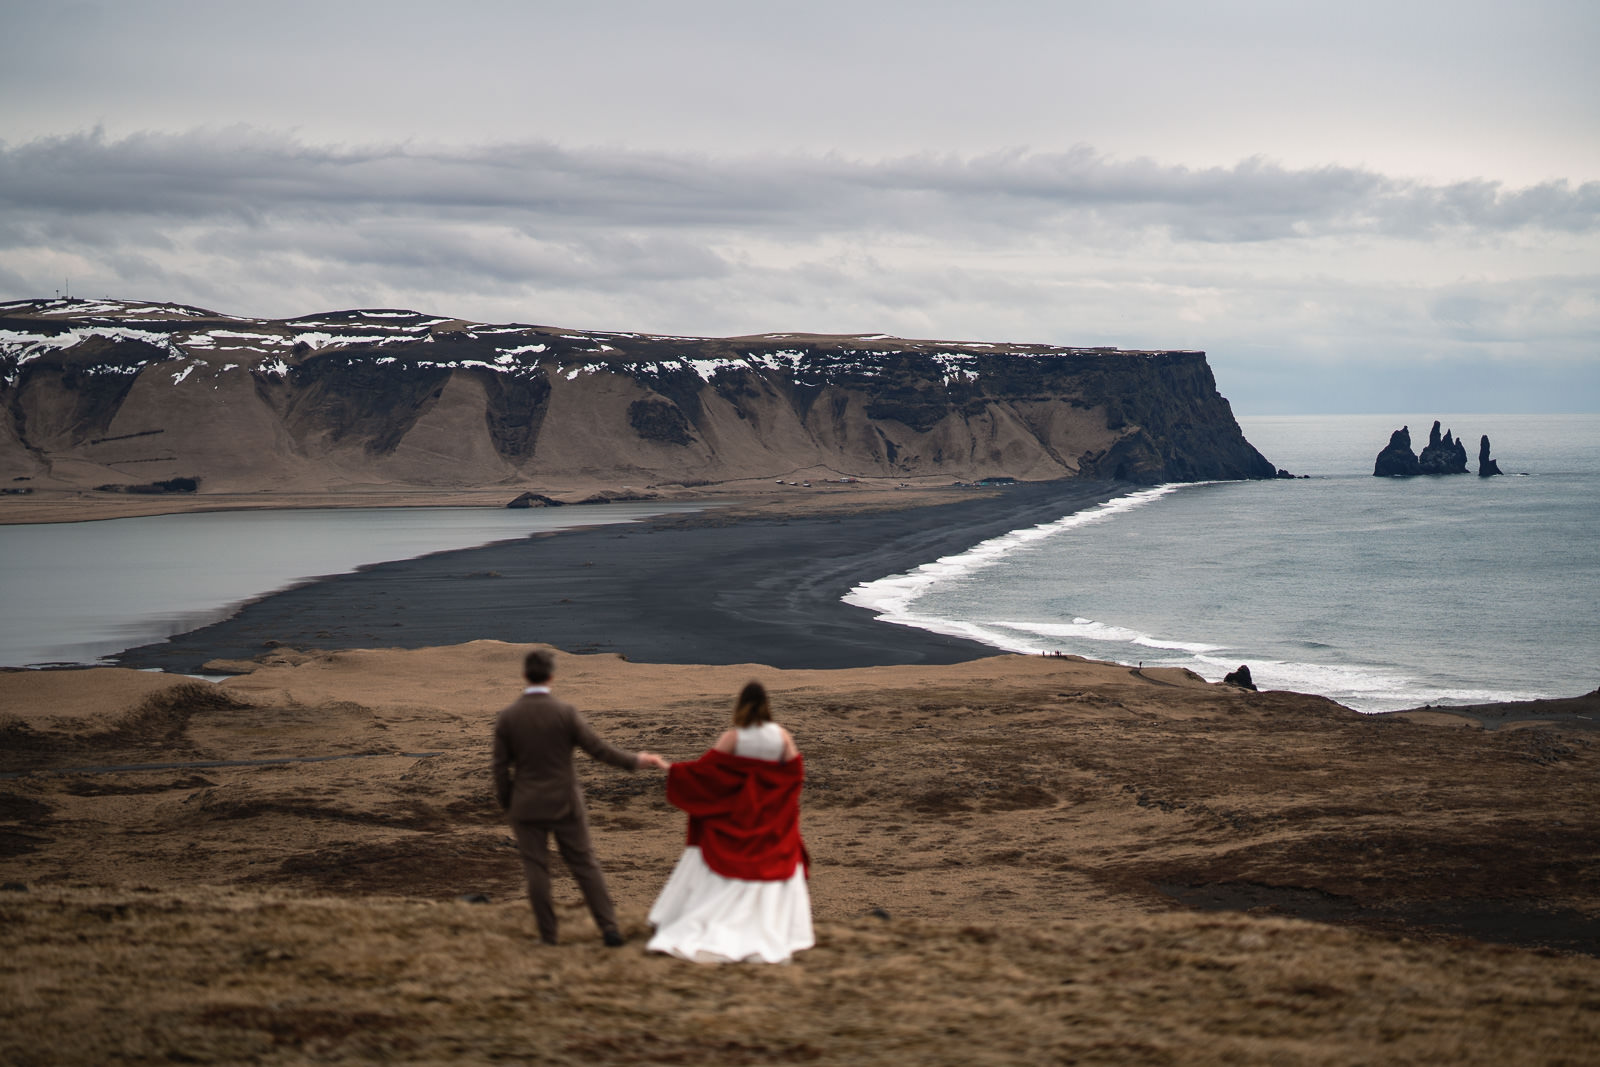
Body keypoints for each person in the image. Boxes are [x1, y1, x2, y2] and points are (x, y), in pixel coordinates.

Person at [491, 647, 666, 947]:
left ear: (524, 675)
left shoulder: (508, 717)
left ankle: (548, 937)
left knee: (536, 869)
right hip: (564, 803)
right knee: (585, 866)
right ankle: (610, 929)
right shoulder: (564, 713)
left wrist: (509, 803)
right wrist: (636, 761)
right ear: (551, 676)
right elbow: (599, 750)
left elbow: (499, 768)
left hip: (526, 805)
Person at [647, 680, 813, 963]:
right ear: (766, 705)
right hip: (770, 818)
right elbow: (794, 773)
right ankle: (767, 930)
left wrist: (670, 769)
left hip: (737, 816)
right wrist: (775, 799)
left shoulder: (735, 737)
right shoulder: (781, 737)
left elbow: (705, 772)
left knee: (717, 869)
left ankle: (709, 924)